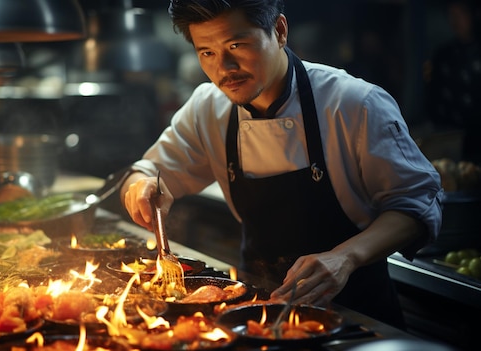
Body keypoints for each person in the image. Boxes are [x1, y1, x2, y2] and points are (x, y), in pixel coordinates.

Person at [119, 0, 443, 329]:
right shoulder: (208, 108)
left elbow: (417, 204)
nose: (224, 67)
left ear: (280, 31)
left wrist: (346, 256)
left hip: (358, 319)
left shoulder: (354, 104)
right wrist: (140, 186)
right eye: (207, 53)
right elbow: (148, 172)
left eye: (236, 45)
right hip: (258, 316)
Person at [424, 0, 481, 163]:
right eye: (452, 15)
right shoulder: (443, 56)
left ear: (474, 15)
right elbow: (433, 99)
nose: (455, 20)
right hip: (449, 142)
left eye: (460, 14)